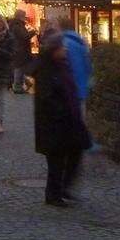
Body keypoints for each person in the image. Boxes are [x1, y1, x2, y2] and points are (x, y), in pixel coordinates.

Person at [33, 32, 91, 207]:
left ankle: (62, 188)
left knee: (75, 151)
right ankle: (53, 194)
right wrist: (61, 111)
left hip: (69, 120)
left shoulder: (62, 66)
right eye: (62, 47)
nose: (65, 49)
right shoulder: (46, 70)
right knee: (56, 159)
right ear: (54, 50)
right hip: (54, 123)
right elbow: (46, 98)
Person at [58, 18, 92, 116]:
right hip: (81, 87)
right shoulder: (80, 43)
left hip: (68, 88)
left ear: (60, 28)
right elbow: (88, 66)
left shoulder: (63, 44)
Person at [8, 9, 37, 94]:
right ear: (21, 16)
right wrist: (33, 32)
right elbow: (24, 36)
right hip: (20, 50)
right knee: (19, 68)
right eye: (24, 16)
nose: (25, 18)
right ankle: (17, 86)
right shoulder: (17, 26)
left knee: (21, 67)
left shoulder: (15, 25)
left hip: (19, 50)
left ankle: (22, 84)